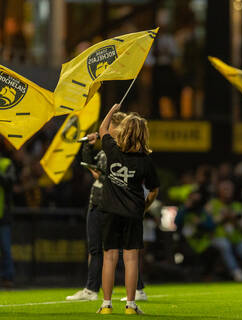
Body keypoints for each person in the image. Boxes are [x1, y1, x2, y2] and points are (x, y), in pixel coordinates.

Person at [66, 112, 147, 301]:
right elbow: (91, 166)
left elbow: (116, 177)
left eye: (109, 127)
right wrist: (88, 145)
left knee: (120, 250)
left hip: (112, 205)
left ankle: (138, 289)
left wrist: (102, 175)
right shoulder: (105, 151)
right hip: (97, 201)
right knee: (96, 248)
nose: (105, 131)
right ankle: (91, 289)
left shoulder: (121, 152)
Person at [96, 105, 160, 315]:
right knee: (131, 259)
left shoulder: (112, 150)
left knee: (109, 258)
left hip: (109, 211)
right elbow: (153, 190)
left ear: (123, 131)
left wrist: (112, 109)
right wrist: (144, 206)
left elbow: (102, 129)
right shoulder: (146, 161)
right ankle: (131, 306)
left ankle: (106, 305)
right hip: (133, 212)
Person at [207, 180, 242, 282]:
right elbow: (207, 224)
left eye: (229, 189)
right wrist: (222, 217)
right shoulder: (212, 204)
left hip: (236, 239)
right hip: (217, 237)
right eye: (225, 189)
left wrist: (235, 219)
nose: (227, 192)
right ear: (219, 191)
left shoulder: (238, 206)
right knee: (224, 245)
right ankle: (235, 272)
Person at [0, 153, 15, 288]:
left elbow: (10, 183)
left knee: (5, 248)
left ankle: (8, 278)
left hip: (3, 215)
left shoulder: (6, 163)